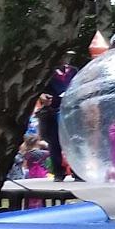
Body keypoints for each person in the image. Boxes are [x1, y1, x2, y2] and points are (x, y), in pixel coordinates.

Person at [39, 51, 79, 181]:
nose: (65, 58)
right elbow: (39, 91)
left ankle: (77, 172)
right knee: (54, 142)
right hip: (52, 110)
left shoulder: (74, 71)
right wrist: (43, 97)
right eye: (63, 55)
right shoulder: (46, 72)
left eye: (67, 56)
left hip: (71, 110)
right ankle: (58, 172)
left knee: (73, 141)